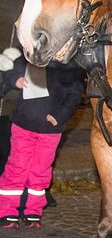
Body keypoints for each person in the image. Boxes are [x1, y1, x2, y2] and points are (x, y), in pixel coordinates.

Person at [0, 48, 85, 228]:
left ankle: (33, 211)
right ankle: (7, 211)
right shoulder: (32, 54)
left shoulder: (71, 66)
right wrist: (15, 79)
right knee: (17, 167)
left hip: (50, 130)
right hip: (23, 124)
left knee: (40, 171)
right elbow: (11, 70)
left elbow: (74, 96)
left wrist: (60, 115)